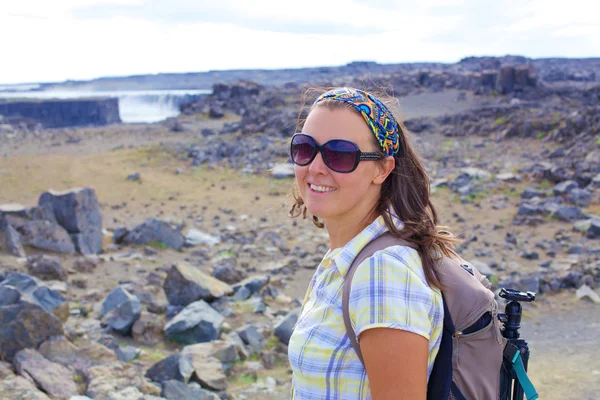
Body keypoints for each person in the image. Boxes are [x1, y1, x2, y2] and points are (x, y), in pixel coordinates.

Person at [287, 87, 459, 400]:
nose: (314, 167)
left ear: (383, 168)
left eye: (340, 154)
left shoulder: (383, 273)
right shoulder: (349, 256)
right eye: (304, 148)